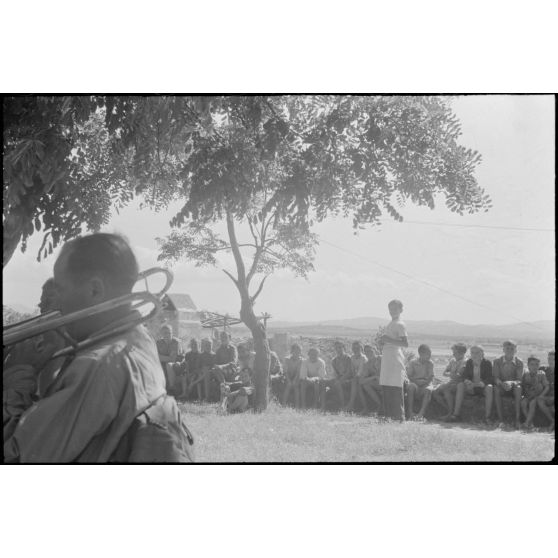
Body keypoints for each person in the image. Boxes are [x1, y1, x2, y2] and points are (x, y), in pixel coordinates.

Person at [3, 232, 193, 462]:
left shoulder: (96, 366)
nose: (57, 305)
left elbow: (16, 458)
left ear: (94, 289)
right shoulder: (141, 339)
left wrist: (18, 373)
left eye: (61, 290)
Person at [446, 345, 494, 425]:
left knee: (489, 387)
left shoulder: (487, 363)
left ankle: (487, 417)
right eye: (472, 353)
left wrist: (480, 384)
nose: (474, 355)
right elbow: (464, 376)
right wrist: (467, 381)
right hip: (471, 387)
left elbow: (490, 378)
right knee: (460, 385)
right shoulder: (469, 362)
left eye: (477, 353)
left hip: (482, 387)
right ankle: (456, 415)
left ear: (482, 354)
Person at [379, 299, 409, 421]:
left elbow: (405, 343)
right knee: (386, 384)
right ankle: (388, 415)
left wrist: (388, 340)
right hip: (387, 356)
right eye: (390, 309)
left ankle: (398, 415)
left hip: (395, 357)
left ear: (401, 310)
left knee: (395, 385)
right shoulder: (391, 323)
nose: (392, 311)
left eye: (395, 309)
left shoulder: (400, 324)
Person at [493, 340, 524, 428]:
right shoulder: (497, 361)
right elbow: (495, 377)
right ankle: (501, 420)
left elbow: (519, 379)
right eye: (507, 348)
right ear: (503, 349)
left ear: (516, 350)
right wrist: (502, 384)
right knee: (496, 389)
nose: (509, 350)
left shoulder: (519, 362)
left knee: (519, 388)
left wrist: (511, 383)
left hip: (513, 387)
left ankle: (517, 420)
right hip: (501, 386)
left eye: (512, 348)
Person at [433, 342, 467, 419]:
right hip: (451, 382)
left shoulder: (465, 362)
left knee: (446, 390)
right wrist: (452, 374)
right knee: (435, 392)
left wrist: (451, 374)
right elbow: (444, 373)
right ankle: (448, 409)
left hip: (459, 383)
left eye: (454, 353)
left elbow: (459, 376)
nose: (453, 354)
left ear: (461, 353)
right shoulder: (452, 361)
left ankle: (450, 413)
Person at [204, 331, 237, 401]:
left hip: (230, 370)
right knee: (208, 372)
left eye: (225, 337)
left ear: (229, 338)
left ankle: (224, 387)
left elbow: (233, 362)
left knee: (216, 370)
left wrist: (221, 366)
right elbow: (215, 362)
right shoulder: (219, 350)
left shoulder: (232, 348)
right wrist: (215, 365)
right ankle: (207, 397)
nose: (223, 339)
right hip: (220, 371)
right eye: (222, 337)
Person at [320, 341, 352, 411]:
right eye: (336, 348)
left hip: (348, 378)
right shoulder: (334, 360)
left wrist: (339, 380)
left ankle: (342, 405)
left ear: (343, 348)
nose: (338, 349)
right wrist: (336, 379)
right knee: (323, 382)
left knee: (338, 384)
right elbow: (335, 373)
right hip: (339, 378)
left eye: (340, 347)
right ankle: (322, 405)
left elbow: (349, 372)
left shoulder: (348, 358)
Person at [405, 344, 434, 420]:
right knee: (411, 387)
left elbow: (431, 377)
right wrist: (417, 382)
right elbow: (409, 376)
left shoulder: (430, 363)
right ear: (421, 354)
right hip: (415, 383)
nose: (429, 356)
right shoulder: (413, 362)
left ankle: (421, 413)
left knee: (428, 390)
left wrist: (424, 382)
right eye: (428, 354)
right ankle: (410, 412)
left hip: (426, 383)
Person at [521, 356, 549, 429]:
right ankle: (531, 422)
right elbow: (523, 385)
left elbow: (547, 386)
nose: (534, 366)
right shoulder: (525, 374)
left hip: (537, 396)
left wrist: (542, 395)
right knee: (523, 403)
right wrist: (525, 394)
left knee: (532, 403)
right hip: (528, 395)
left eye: (537, 364)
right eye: (532, 364)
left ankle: (527, 423)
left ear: (539, 365)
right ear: (528, 365)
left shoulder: (541, 374)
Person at [345, 341, 369, 412]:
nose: (355, 349)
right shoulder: (352, 357)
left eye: (357, 348)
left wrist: (355, 377)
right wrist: (353, 377)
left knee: (355, 382)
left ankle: (351, 404)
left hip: (365, 376)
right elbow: (352, 370)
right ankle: (364, 407)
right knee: (357, 385)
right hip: (357, 377)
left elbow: (361, 371)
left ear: (361, 348)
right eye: (354, 348)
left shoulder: (363, 358)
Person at [156, 324, 180, 394]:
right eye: (165, 333)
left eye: (169, 332)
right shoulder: (159, 343)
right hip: (163, 363)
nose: (167, 335)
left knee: (169, 365)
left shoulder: (175, 342)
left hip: (177, 363)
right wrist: (162, 357)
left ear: (172, 333)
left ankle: (171, 388)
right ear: (162, 334)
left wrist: (161, 357)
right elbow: (156, 357)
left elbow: (173, 359)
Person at [359, 344, 383, 413]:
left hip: (388, 381)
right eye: (366, 352)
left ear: (375, 350)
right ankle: (379, 405)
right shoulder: (367, 364)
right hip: (378, 383)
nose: (368, 353)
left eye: (370, 351)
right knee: (365, 385)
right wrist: (374, 377)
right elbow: (361, 381)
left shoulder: (382, 358)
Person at [537, 350, 555, 429]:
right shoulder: (543, 370)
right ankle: (552, 421)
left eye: (553, 359)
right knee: (539, 400)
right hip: (547, 396)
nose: (550, 361)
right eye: (549, 359)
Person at [282, 343, 303, 408]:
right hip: (287, 376)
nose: (297, 353)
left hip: (296, 377)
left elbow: (298, 372)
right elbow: (285, 371)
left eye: (298, 351)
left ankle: (297, 405)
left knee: (296, 386)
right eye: (295, 351)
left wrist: (294, 381)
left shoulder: (301, 360)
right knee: (288, 385)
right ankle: (284, 404)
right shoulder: (287, 359)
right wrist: (288, 380)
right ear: (292, 351)